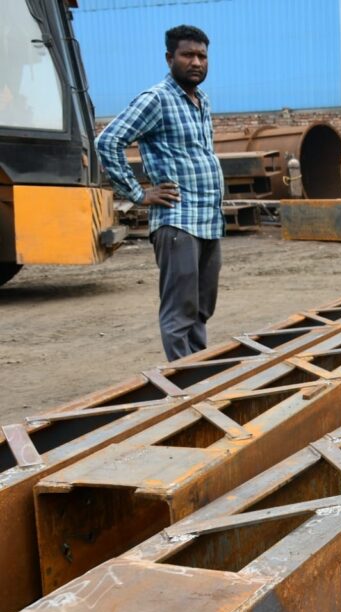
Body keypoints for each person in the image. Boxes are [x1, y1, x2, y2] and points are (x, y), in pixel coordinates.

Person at [97, 25, 224, 361]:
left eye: (202, 56)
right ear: (170, 58)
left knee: (200, 307)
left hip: (208, 220)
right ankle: (184, 382)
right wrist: (138, 194)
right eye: (187, 55)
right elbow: (108, 141)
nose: (196, 62)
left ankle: (198, 371)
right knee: (180, 310)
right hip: (177, 220)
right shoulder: (156, 100)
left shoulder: (201, 101)